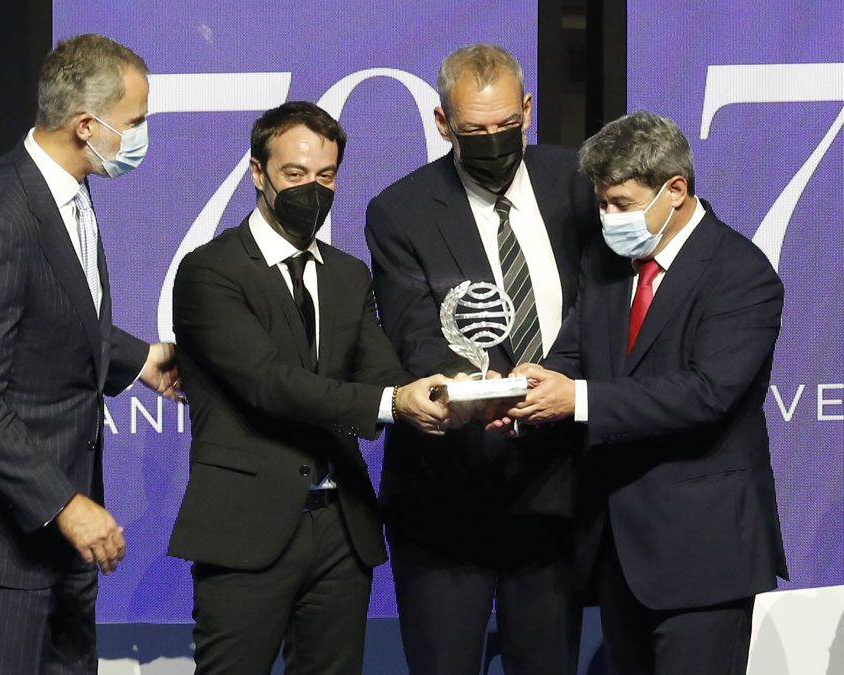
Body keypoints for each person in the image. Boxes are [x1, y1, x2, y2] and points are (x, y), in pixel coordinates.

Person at [168, 101, 461, 675]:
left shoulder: (348, 274)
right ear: (258, 173)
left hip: (341, 529)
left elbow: (382, 374)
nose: (313, 190)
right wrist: (390, 403)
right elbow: (269, 384)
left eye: (325, 176)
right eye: (294, 175)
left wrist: (445, 392)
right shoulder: (211, 271)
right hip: (246, 528)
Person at [0, 33, 180, 674]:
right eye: (136, 123)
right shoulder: (1, 217)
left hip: (61, 544)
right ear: (86, 125)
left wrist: (137, 359)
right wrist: (64, 503)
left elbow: (55, 317)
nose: (142, 136)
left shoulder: (66, 189)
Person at [493, 111, 788, 675]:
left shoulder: (741, 273)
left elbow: (706, 392)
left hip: (703, 554)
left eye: (621, 204)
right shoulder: (609, 265)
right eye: (602, 203)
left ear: (675, 190)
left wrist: (577, 399)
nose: (608, 218)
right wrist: (519, 392)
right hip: (617, 551)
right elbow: (575, 353)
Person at [364, 44, 598, 674]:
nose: (494, 141)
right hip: (447, 496)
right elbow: (414, 333)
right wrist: (480, 395)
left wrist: (556, 388)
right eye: (474, 132)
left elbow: (602, 307)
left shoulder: (580, 185)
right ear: (444, 124)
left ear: (527, 109)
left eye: (506, 127)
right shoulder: (400, 211)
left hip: (555, 489)